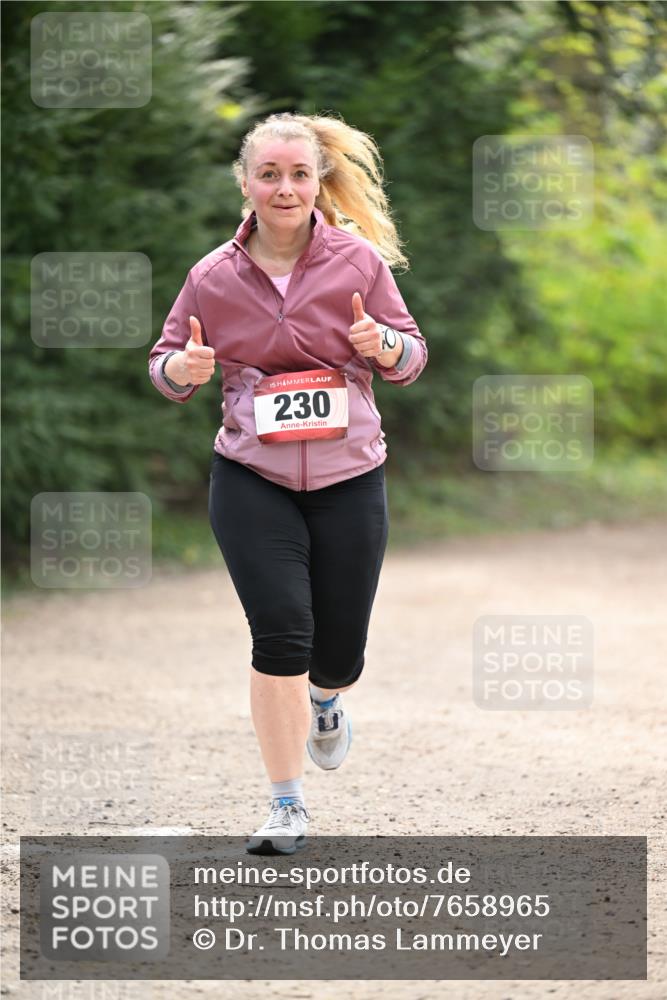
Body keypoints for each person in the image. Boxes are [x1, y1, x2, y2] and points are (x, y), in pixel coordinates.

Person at [148, 111, 427, 855]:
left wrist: (385, 343)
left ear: (317, 183)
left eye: (298, 174)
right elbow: (166, 360)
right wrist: (183, 369)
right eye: (268, 174)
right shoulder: (211, 276)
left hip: (348, 475)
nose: (283, 187)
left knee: (338, 652)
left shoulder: (357, 263)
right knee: (280, 633)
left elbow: (410, 357)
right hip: (251, 475)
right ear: (245, 184)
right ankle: (284, 804)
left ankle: (328, 698)